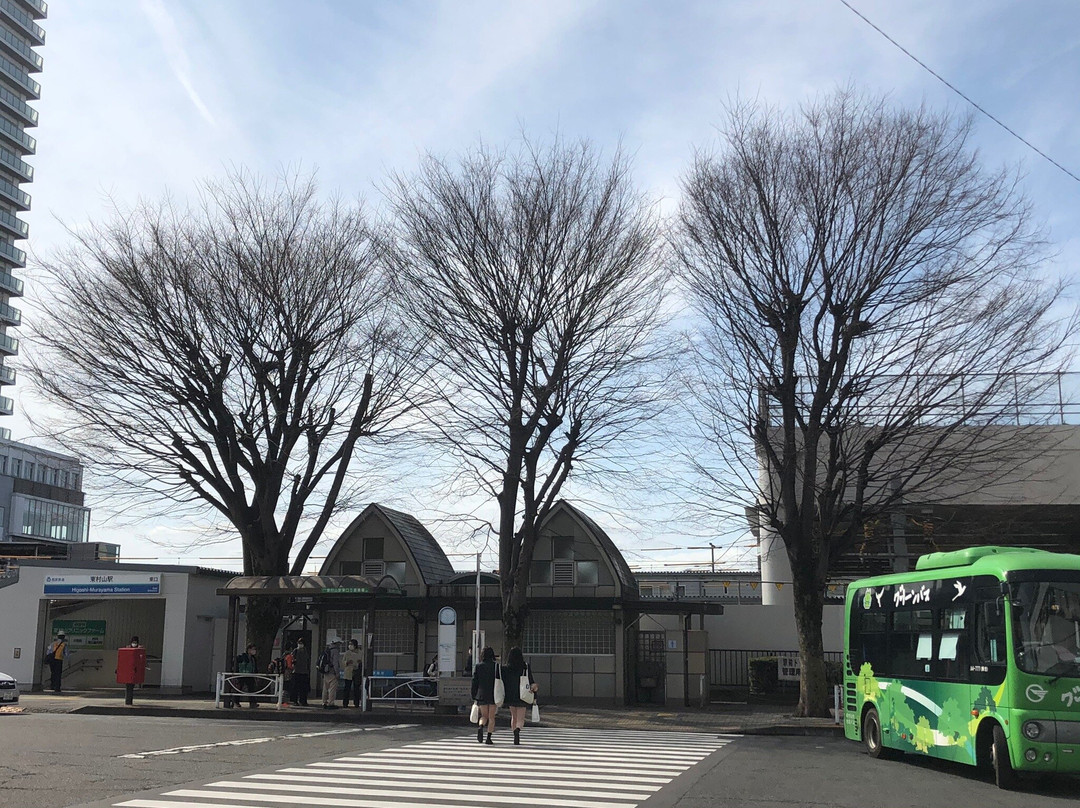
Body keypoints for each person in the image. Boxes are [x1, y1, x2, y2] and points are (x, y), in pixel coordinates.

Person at [501, 646, 538, 745]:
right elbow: (531, 680)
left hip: (510, 694)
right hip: (522, 694)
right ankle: (518, 730)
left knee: (514, 716)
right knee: (521, 718)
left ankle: (514, 733)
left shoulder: (506, 668)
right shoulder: (525, 666)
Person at [470, 647, 499, 745]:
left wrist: (474, 694)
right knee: (492, 717)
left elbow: (475, 681)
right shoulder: (496, 666)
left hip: (481, 694)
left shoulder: (478, 666)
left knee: (484, 716)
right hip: (493, 694)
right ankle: (489, 738)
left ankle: (481, 726)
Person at [235, 643, 259, 708]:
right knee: (239, 688)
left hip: (250, 675)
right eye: (253, 649)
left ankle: (252, 702)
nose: (254, 651)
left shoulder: (253, 658)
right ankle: (236, 701)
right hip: (242, 675)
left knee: (251, 688)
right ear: (248, 650)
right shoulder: (243, 657)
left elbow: (255, 667)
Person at [318, 640, 341, 708]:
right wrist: (337, 673)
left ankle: (324, 702)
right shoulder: (335, 651)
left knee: (325, 688)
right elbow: (335, 663)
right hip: (332, 672)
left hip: (326, 671)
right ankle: (331, 703)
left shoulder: (327, 650)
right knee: (332, 689)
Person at [341, 639, 363, 708]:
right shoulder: (347, 653)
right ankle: (345, 703)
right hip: (348, 672)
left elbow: (363, 661)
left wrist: (360, 663)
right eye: (349, 644)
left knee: (356, 688)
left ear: (355, 645)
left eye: (352, 644)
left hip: (357, 672)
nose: (350, 646)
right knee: (347, 688)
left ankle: (356, 703)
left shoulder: (360, 652)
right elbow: (343, 662)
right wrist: (347, 663)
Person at [290, 638, 310, 706]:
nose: (300, 644)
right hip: (296, 671)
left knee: (304, 688)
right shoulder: (295, 650)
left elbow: (307, 661)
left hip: (304, 672)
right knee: (295, 687)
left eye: (301, 643)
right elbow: (292, 659)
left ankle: (303, 701)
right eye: (299, 643)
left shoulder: (306, 651)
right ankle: (295, 701)